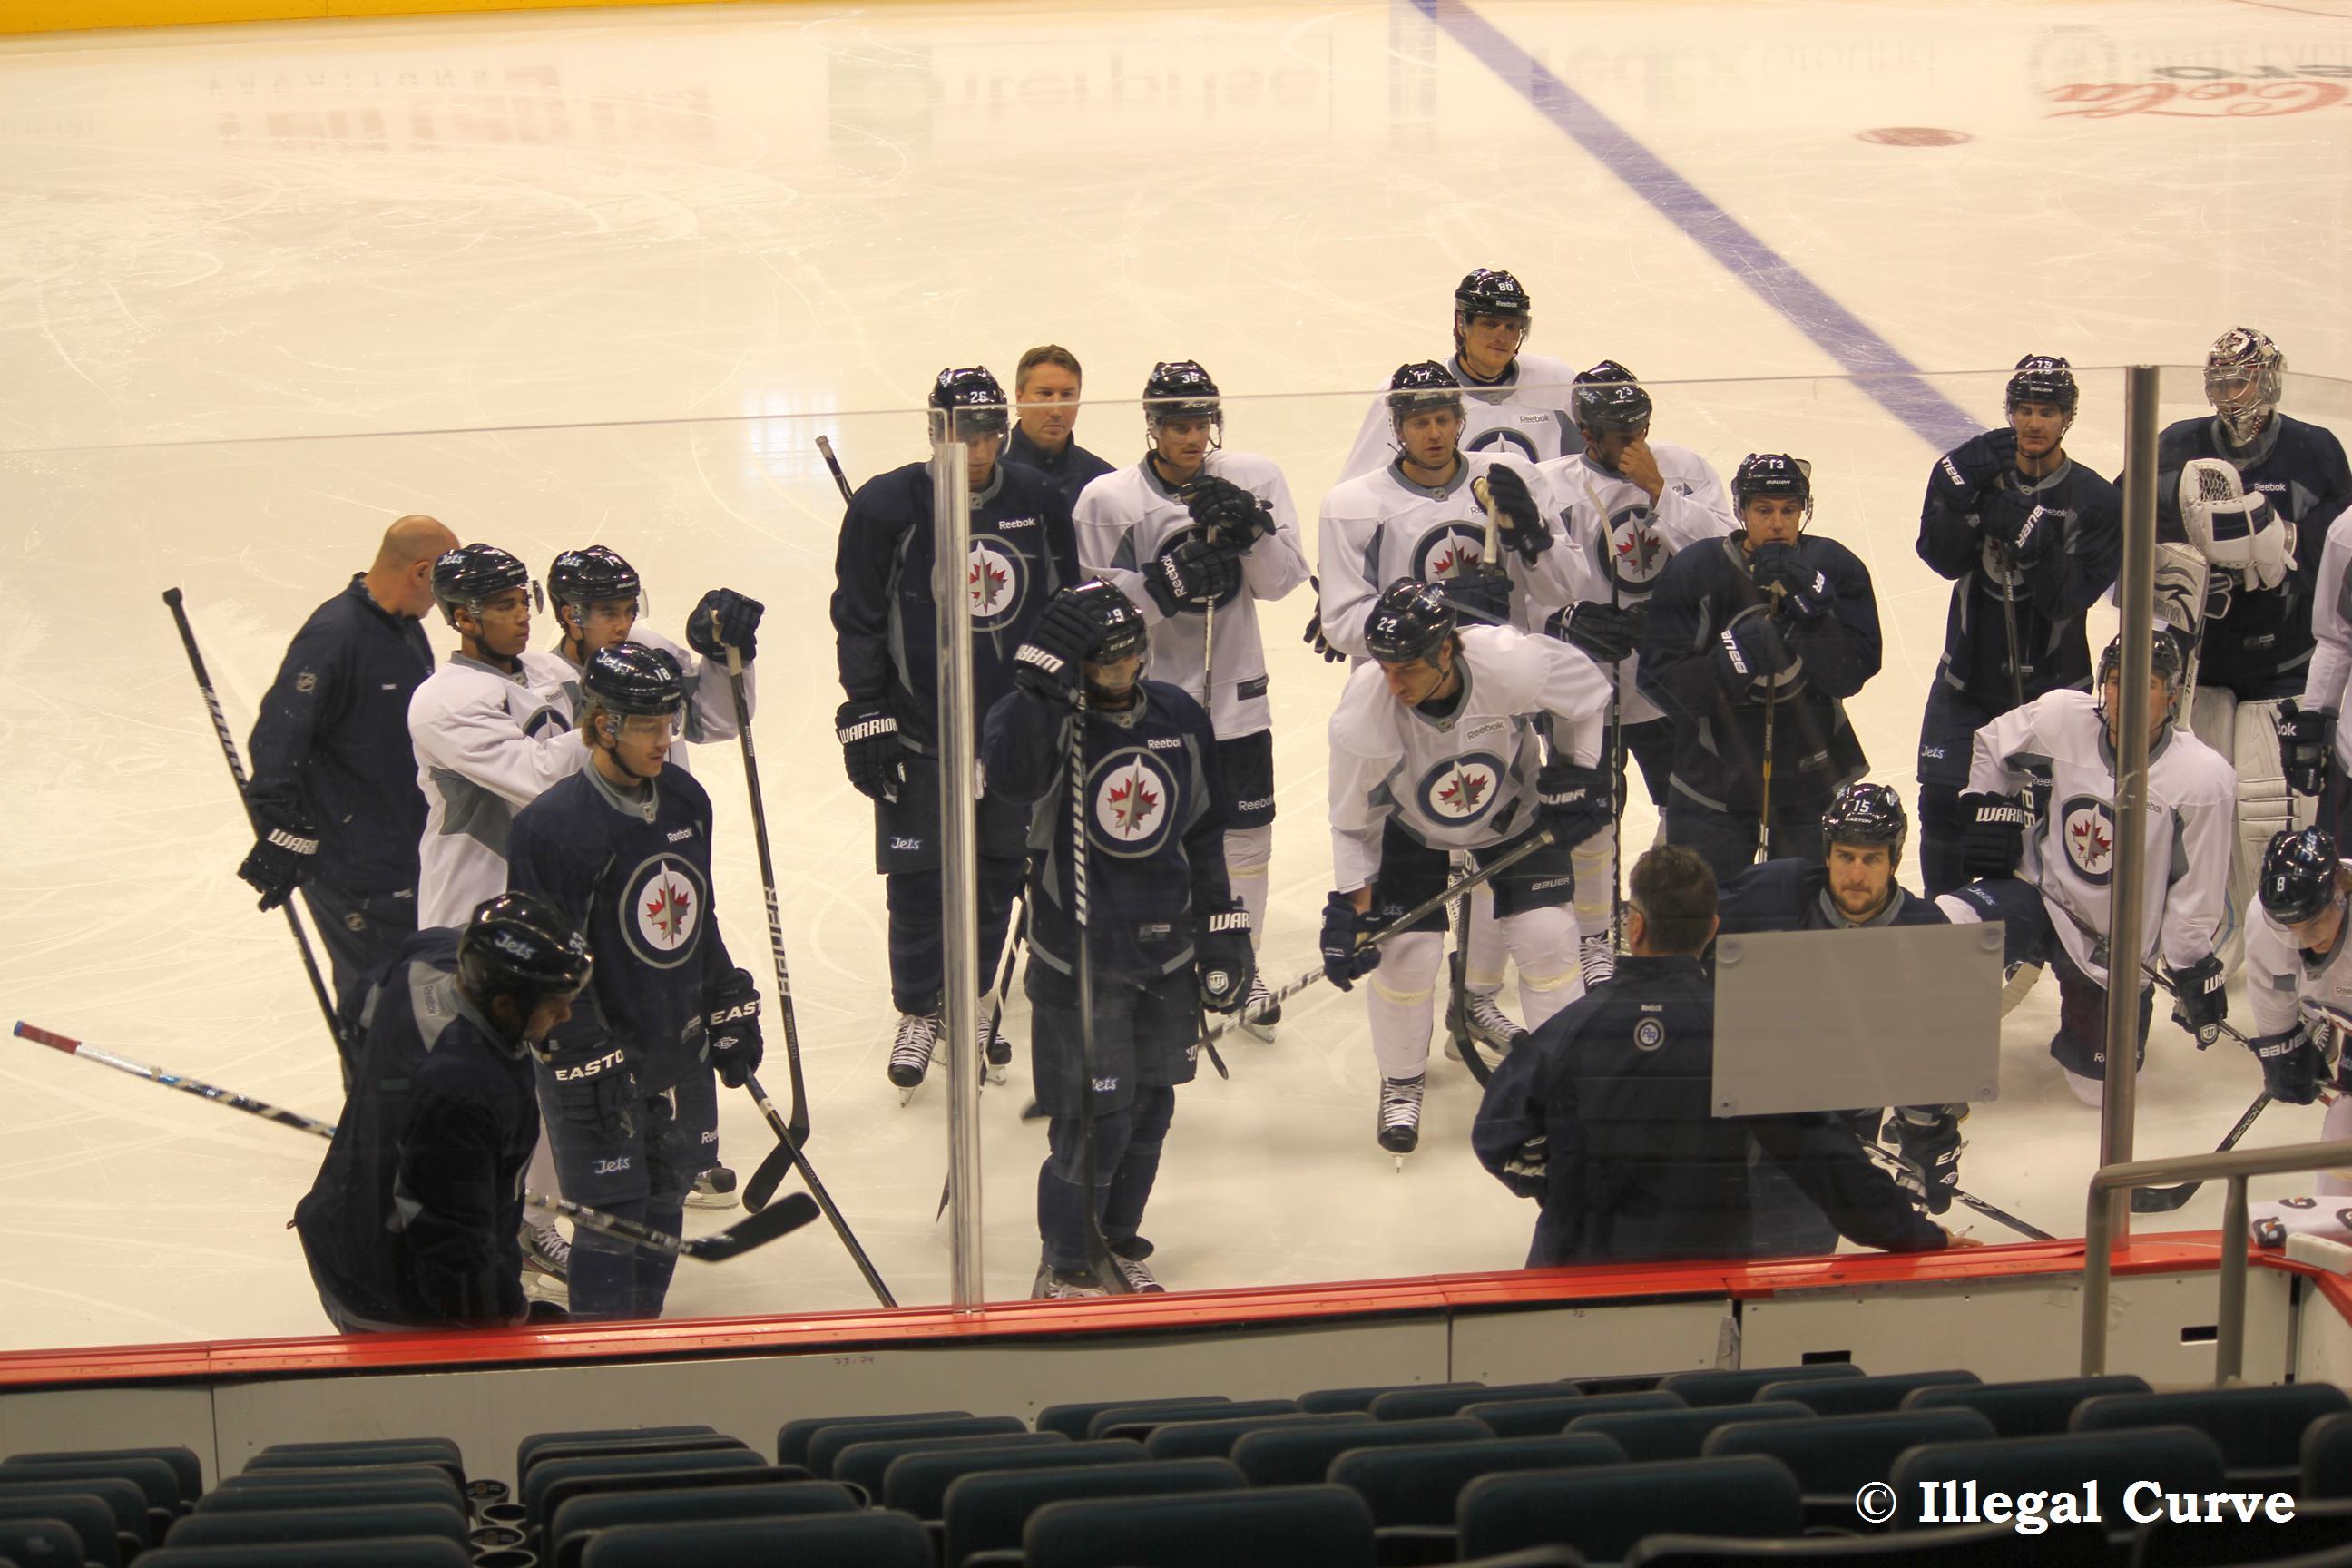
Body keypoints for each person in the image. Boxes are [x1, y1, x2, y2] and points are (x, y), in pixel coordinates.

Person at [1472, 845, 1969, 1264]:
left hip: (1572, 1276)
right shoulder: (1744, 1039)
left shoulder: (1568, 1031)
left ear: (1635, 926)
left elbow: (1497, 1135)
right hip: (1702, 1284)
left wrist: (1564, 1188)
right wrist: (1917, 1235)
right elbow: (1828, 1163)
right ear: (1712, 928)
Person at [981, 581, 1250, 1298]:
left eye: (1132, 656)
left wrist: (1222, 929)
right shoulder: (1044, 722)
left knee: (1152, 1110)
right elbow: (1011, 782)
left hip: (1166, 956)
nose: (1124, 672)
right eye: (1105, 662)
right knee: (1094, 1121)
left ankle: (1117, 1241)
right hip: (1080, 962)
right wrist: (1037, 690)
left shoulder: (1178, 716)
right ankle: (1067, 1261)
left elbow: (1203, 833)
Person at [830, 367, 1081, 1097]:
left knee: (997, 875)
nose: (980, 448)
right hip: (920, 732)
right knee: (919, 882)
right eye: (964, 433)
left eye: (990, 433)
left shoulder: (1037, 499)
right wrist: (865, 710)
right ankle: (919, 1009)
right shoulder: (887, 505)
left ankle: (969, 1000)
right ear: (935, 431)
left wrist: (1056, 702)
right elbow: (858, 617)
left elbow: (1065, 605)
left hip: (1011, 735)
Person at [506, 643, 764, 1321]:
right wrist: (585, 1052)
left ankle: (640, 1338)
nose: (665, 739)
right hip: (595, 1064)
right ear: (602, 726)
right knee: (612, 1216)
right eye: (647, 726)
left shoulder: (685, 798)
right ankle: (602, 1362)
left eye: (669, 722)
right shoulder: (551, 828)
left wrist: (725, 995)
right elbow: (545, 965)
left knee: (666, 1196)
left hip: (675, 1045)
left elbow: (696, 915)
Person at [1322, 581, 1612, 1160]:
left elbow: (1587, 694)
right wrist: (1356, 913)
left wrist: (1577, 773)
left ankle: (1562, 1085)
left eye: (1408, 668)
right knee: (1405, 956)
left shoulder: (1510, 663)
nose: (1394, 684)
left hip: (1515, 815)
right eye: (1385, 668)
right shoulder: (1364, 715)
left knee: (1549, 939)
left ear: (1447, 650)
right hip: (1410, 830)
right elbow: (1352, 823)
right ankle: (1401, 1081)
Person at [1073, 359, 1310, 1038]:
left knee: (1248, 839)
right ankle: (1163, 959)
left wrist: (1252, 531)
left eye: (1201, 421)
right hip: (1148, 701)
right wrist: (1165, 584)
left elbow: (1283, 581)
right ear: (1153, 425)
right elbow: (1093, 611)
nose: (1191, 436)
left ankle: (1241, 959)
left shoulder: (1254, 478)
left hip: (1239, 696)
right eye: (1177, 424)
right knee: (1151, 832)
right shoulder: (1106, 500)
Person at [1713, 782, 2041, 1247]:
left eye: (1871, 859)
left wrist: (1928, 1135)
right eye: (1845, 856)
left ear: (1895, 860)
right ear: (1827, 854)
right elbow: (1690, 929)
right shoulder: (1776, 891)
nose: (1856, 873)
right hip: (1751, 1110)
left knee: (1797, 1248)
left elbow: (1934, 1048)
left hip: (1843, 1123)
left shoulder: (1927, 933)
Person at [541, 544, 764, 1210]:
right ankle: (620, 1159)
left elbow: (718, 721)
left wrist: (726, 657)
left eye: (628, 608)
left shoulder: (654, 652)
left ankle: (696, 1153)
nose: (622, 623)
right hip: (602, 864)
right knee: (619, 1004)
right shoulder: (543, 683)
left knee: (683, 986)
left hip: (670, 843)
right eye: (606, 611)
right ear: (569, 614)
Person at [291, 892, 592, 1332]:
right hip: (390, 1293)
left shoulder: (429, 957)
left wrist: (386, 1092)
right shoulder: (466, 1089)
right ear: (505, 1004)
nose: (566, 1015)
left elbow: (361, 1003)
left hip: (345, 1220)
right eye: (553, 1004)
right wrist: (510, 1316)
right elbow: (452, 1249)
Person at [1961, 632, 2237, 1105]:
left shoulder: (2202, 779)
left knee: (2099, 1092)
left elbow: (2196, 891)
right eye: (2116, 680)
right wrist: (1991, 808)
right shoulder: (2062, 717)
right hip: (2039, 895)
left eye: (2146, 684)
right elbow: (1991, 744)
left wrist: (2192, 967)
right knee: (1951, 929)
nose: (2126, 695)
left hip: (2110, 952)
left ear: (2171, 696)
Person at [2148, 329, 2351, 968]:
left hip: (2283, 663)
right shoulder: (2177, 445)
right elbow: (2127, 528)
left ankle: (2281, 940)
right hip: (2203, 665)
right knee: (2199, 815)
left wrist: (2282, 542)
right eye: (2220, 382)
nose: (2229, 395)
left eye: (2240, 381)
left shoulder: (2315, 451)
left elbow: (2336, 555)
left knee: (2269, 816)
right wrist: (2179, 563)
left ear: (2268, 381)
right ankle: (2208, 939)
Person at [1536, 361, 1737, 989]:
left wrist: (1659, 493)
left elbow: (1730, 555)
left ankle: (1657, 913)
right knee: (1592, 815)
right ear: (1585, 432)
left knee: (1687, 806)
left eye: (1639, 430)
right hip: (1584, 688)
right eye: (1617, 434)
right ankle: (1594, 935)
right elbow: (1528, 582)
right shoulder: (1550, 486)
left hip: (1667, 683)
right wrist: (1565, 620)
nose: (1632, 444)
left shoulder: (1685, 470)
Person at [1915, 356, 2124, 895]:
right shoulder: (1977, 478)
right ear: (2009, 411)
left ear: (2068, 418)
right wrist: (1958, 493)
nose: (2034, 423)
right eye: (2024, 409)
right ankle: (1945, 922)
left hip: (2055, 694)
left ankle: (2034, 924)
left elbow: (2066, 600)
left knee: (2049, 818)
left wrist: (2033, 538)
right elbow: (1941, 557)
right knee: (1942, 805)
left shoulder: (2098, 501)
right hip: (1965, 683)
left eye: (2047, 412)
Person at [242, 514, 456, 1021]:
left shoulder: (406, 630)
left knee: (414, 1001)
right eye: (443, 581)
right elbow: (275, 744)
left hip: (402, 851)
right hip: (354, 871)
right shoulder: (333, 637)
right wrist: (288, 838)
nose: (446, 600)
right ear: (421, 571)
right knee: (378, 1009)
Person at [1640, 454, 1882, 878]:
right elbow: (1659, 682)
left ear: (1804, 511)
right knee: (1701, 909)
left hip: (1812, 777)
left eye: (1789, 510)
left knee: (1800, 910)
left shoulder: (1834, 566)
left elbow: (1851, 674)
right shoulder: (1695, 570)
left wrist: (1811, 620)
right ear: (1741, 511)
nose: (1777, 524)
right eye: (1764, 510)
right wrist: (1734, 658)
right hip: (1712, 781)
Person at [1315, 360, 1568, 662]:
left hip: (1501, 671)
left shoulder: (1513, 477)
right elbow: (1343, 625)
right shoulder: (1352, 505)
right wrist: (1441, 602)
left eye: (1443, 420)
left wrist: (1533, 538)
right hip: (1407, 677)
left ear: (1459, 421)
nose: (1434, 434)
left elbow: (1564, 588)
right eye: (1420, 423)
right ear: (1398, 428)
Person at [407, 544, 584, 932]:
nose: (523, 616)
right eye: (506, 606)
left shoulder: (552, 671)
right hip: (474, 908)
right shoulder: (445, 699)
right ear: (464, 619)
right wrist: (613, 725)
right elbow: (542, 781)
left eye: (524, 601)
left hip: (555, 893)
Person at [1338, 268, 1578, 476]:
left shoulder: (1555, 381)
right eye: (1490, 324)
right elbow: (1359, 490)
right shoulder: (1412, 392)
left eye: (1511, 326)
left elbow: (1584, 469)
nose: (1502, 336)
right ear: (1462, 324)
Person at [2243, 827, 2352, 1190]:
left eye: (2315, 923)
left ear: (2340, 895)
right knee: (2342, 1139)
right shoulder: (2266, 919)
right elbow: (2271, 990)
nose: (2305, 939)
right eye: (2292, 927)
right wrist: (2283, 1049)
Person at [1004, 344, 1115, 507]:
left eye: (1067, 395)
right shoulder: (985, 473)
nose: (1056, 411)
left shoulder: (1102, 481)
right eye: (1045, 393)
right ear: (1019, 398)